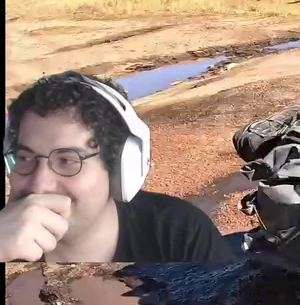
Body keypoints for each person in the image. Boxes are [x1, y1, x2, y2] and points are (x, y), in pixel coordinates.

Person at [1, 71, 239, 263]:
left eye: (67, 161)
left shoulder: (179, 235)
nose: (39, 185)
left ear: (118, 168)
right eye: (24, 158)